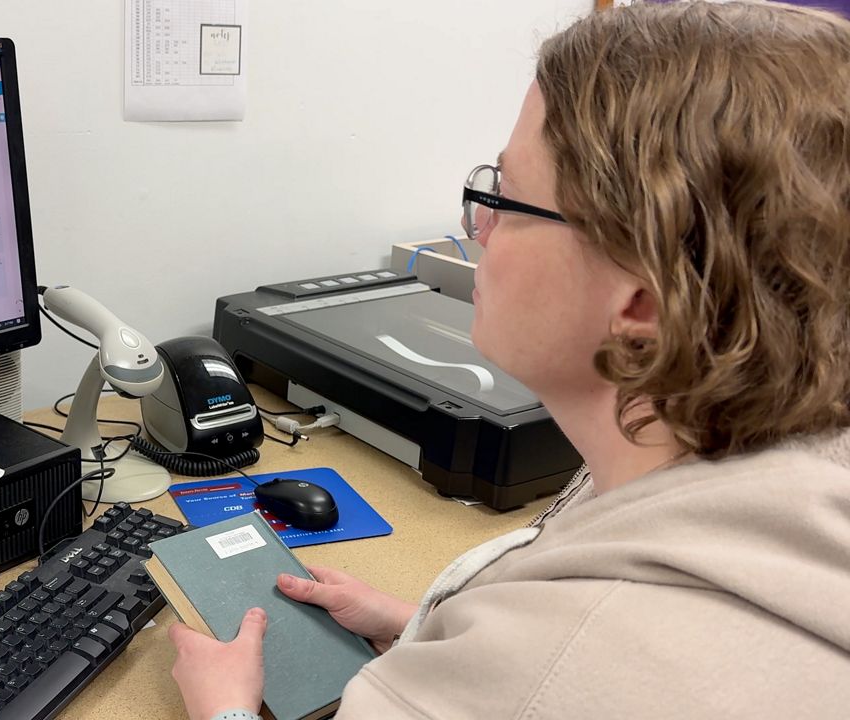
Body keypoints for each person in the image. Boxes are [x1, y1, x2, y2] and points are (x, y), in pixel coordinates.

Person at [166, 2, 850, 718]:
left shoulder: (567, 662)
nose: (480, 226)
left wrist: (228, 708)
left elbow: (561, 674)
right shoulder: (760, 466)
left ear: (642, 303)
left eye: (510, 197)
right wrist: (428, 630)